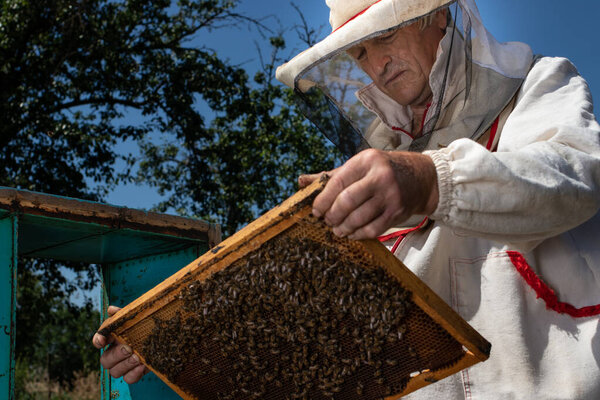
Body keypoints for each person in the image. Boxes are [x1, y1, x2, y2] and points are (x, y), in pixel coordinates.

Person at [95, 0, 600, 397]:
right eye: (359, 53)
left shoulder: (538, 85)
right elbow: (321, 340)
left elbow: (575, 176)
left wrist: (425, 180)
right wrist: (174, 346)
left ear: (437, 16)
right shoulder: (376, 164)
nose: (376, 66)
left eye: (384, 35)